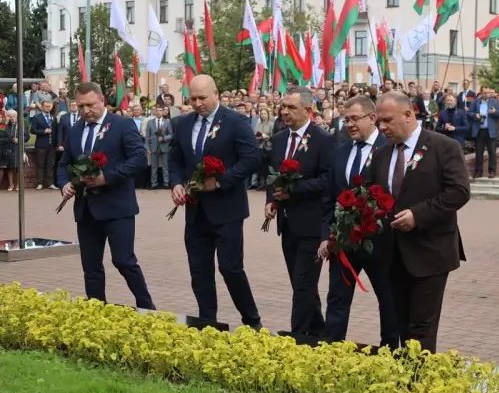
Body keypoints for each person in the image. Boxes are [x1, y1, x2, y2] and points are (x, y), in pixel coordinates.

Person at [365, 91, 470, 352]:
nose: (382, 127)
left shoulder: (443, 147)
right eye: (379, 122)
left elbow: (458, 191)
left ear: (409, 115)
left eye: (387, 120)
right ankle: (405, 380)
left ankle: (418, 383)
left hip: (430, 252)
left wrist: (418, 215)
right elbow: (370, 194)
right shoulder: (381, 154)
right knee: (401, 323)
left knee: (421, 327)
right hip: (392, 254)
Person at [168, 75, 262, 330]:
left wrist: (221, 181)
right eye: (193, 98)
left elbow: (252, 158)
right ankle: (207, 322)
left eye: (202, 98)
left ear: (216, 94)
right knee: (199, 270)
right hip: (196, 210)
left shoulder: (235, 122)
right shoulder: (183, 124)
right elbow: (175, 159)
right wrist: (176, 183)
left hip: (227, 209)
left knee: (230, 268)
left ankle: (252, 321)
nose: (198, 103)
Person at [56, 82, 155, 309]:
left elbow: (139, 158)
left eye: (90, 104)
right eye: (80, 106)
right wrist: (64, 185)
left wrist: (107, 177)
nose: (86, 110)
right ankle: (96, 311)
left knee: (124, 261)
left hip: (117, 207)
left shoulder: (122, 125)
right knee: (90, 266)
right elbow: (63, 165)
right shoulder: (76, 130)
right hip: (86, 208)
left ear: (102, 100)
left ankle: (148, 308)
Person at [317, 95, 398, 347]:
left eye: (354, 119)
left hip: (380, 243)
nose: (349, 125)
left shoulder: (390, 149)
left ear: (372, 118)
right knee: (337, 299)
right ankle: (331, 350)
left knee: (388, 300)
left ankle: (390, 351)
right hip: (344, 243)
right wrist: (325, 235)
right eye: (346, 120)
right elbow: (329, 198)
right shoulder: (340, 152)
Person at [265, 86, 334, 337]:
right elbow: (273, 176)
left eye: (291, 107)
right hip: (288, 224)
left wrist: (294, 190)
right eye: (283, 106)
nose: (285, 112)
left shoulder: (323, 140)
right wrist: (271, 200)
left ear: (309, 109)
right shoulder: (279, 139)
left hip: (312, 224)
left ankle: (298, 338)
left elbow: (328, 179)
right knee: (300, 283)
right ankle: (317, 331)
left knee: (304, 284)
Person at [468, 87, 499, 179]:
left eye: (488, 93)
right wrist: (475, 115)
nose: (486, 95)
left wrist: (495, 111)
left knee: (492, 152)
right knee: (479, 152)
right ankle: (478, 171)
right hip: (479, 130)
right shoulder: (475, 102)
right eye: (484, 93)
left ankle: (492, 171)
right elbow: (469, 113)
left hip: (490, 130)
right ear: (481, 92)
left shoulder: (495, 102)